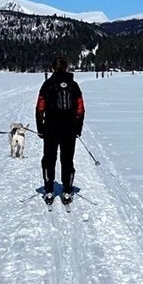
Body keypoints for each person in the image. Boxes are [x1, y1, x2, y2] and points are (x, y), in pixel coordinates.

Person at [35, 56, 85, 204]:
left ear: (53, 68)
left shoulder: (48, 84)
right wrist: (78, 128)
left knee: (49, 159)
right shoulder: (74, 85)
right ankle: (67, 190)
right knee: (67, 160)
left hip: (51, 128)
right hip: (69, 129)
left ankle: (49, 190)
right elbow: (81, 109)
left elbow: (39, 108)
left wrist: (40, 128)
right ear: (67, 68)